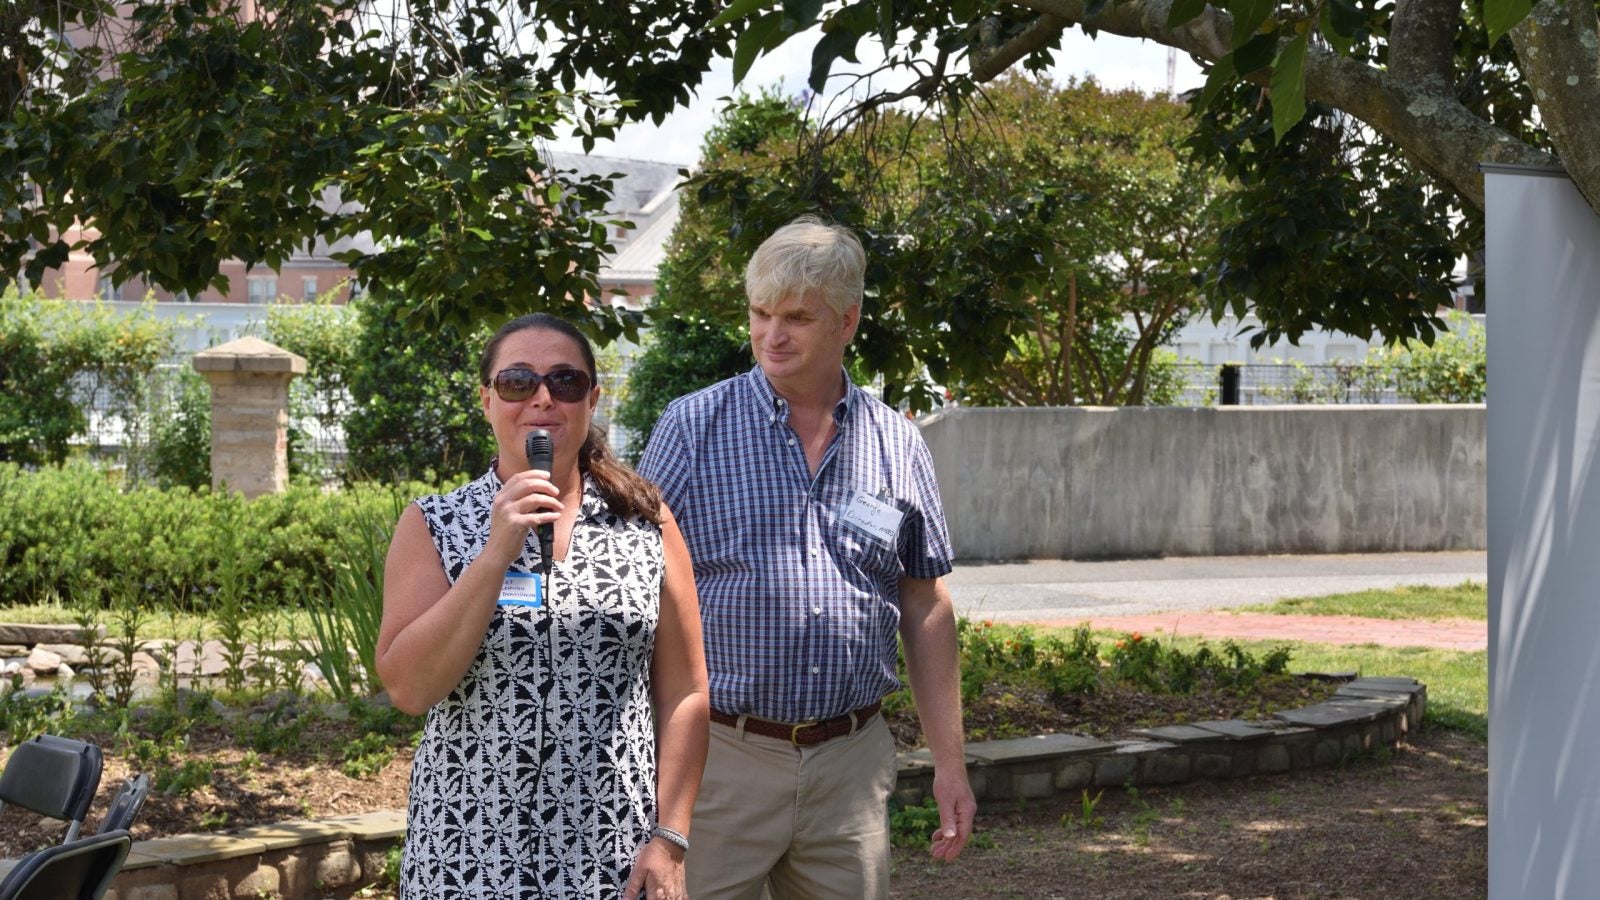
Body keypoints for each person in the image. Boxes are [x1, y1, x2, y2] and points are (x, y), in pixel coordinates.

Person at [638, 215, 976, 899]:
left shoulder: (895, 444)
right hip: (722, 760)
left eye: (796, 317)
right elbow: (642, 591)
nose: (772, 335)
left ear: (847, 321)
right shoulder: (693, 427)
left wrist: (950, 762)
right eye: (760, 314)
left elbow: (924, 602)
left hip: (849, 766)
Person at [377, 313, 709, 900]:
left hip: (612, 860)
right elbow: (408, 688)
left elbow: (685, 693)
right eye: (517, 382)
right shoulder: (433, 524)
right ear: (487, 400)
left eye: (566, 382)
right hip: (467, 856)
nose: (542, 398)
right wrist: (493, 556)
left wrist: (671, 836)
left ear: (592, 400)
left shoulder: (647, 524)